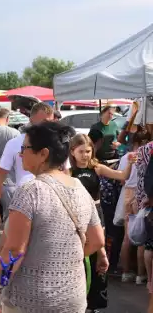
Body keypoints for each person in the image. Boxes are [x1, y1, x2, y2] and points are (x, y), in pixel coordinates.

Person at [0, 121, 106, 312]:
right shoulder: (79, 187)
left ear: (43, 154)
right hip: (73, 296)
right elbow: (98, 240)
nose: (20, 153)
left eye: (25, 148)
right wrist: (64, 258)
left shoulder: (31, 190)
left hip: (32, 299)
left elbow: (14, 251)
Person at [69, 133, 135, 311]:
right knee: (78, 259)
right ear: (72, 152)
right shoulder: (67, 172)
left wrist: (129, 162)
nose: (85, 155)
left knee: (98, 254)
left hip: (96, 216)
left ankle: (95, 302)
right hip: (75, 218)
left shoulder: (96, 168)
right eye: (81, 151)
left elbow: (121, 175)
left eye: (88, 151)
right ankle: (78, 300)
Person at [0, 102, 55, 231]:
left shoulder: (57, 144)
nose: (47, 126)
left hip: (51, 206)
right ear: (31, 119)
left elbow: (66, 173)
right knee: (15, 247)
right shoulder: (15, 143)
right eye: (44, 121)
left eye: (50, 122)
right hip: (23, 206)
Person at [119, 128, 150, 285]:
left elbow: (122, 180)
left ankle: (125, 273)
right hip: (140, 194)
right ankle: (140, 275)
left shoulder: (125, 157)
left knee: (128, 237)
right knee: (142, 237)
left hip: (127, 194)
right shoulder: (146, 155)